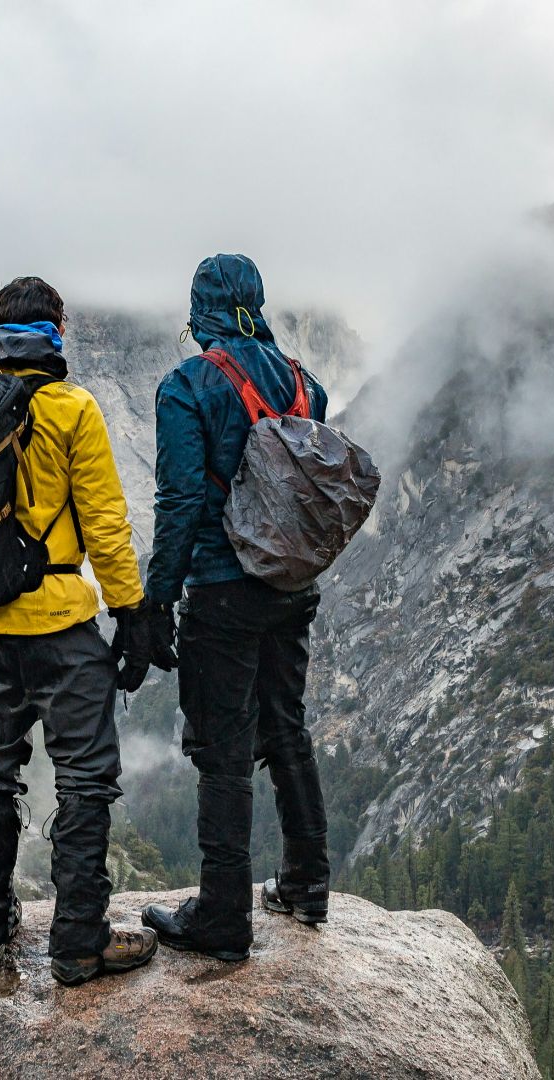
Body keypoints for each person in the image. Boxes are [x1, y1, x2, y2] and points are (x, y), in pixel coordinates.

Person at [0, 276, 165, 986]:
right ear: (57, 331)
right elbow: (104, 525)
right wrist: (131, 615)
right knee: (85, 781)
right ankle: (77, 943)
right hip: (61, 627)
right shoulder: (71, 408)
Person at [139, 254, 333, 962]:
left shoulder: (188, 386)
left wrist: (156, 600)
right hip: (292, 586)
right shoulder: (306, 386)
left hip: (223, 591)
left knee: (222, 749)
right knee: (286, 726)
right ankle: (307, 885)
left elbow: (182, 502)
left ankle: (223, 916)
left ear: (201, 310)